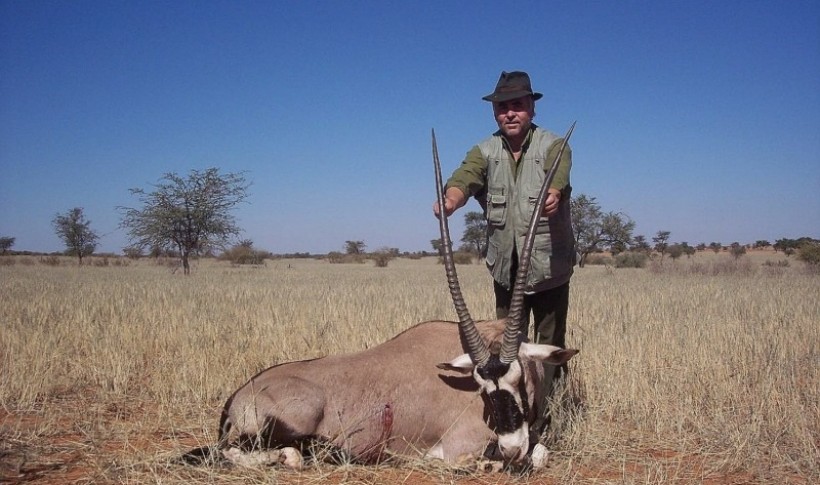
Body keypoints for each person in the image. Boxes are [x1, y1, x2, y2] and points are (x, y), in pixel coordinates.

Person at [433, 70, 575, 433]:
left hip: (549, 271)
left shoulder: (553, 145)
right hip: (505, 273)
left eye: (517, 106)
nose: (510, 113)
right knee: (505, 348)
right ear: (495, 112)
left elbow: (558, 176)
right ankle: (512, 416)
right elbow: (466, 176)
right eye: (503, 108)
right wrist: (452, 198)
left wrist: (555, 194)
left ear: (531, 108)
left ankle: (547, 419)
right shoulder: (484, 151)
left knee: (548, 347)